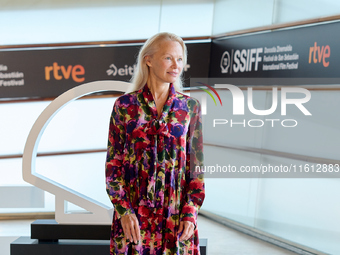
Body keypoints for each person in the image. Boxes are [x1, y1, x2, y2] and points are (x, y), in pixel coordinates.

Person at [105, 32, 205, 255]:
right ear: (148, 60)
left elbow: (196, 168)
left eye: (180, 59)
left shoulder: (189, 107)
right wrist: (124, 211)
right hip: (135, 220)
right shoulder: (124, 106)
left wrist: (191, 212)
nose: (176, 65)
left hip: (176, 218)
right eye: (168, 58)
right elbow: (113, 167)